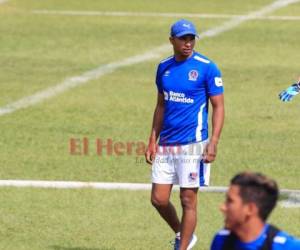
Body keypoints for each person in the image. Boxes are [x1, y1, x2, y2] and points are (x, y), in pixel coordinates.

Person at [145, 19, 225, 250]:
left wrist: (213, 142)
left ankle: (183, 246)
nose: (188, 43)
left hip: (194, 144)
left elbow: (218, 106)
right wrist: (152, 140)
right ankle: (185, 235)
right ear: (172, 40)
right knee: (158, 199)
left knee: (187, 199)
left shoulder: (207, 67)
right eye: (183, 38)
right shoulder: (164, 67)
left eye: (191, 38)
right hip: (166, 144)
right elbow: (161, 105)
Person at [211, 171, 300, 250]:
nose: (222, 207)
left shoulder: (287, 247)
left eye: (230, 201)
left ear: (250, 209)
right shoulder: (221, 241)